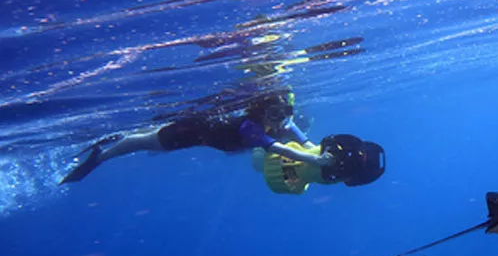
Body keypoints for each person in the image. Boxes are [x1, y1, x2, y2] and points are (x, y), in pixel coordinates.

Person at [59, 91, 332, 185]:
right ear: (262, 111)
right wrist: (315, 159)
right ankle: (100, 156)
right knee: (140, 142)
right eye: (275, 112)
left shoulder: (283, 123)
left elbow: (305, 143)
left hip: (200, 130)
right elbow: (285, 150)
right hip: (189, 133)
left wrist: (321, 155)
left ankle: (104, 142)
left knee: (145, 137)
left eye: (286, 112)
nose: (282, 118)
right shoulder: (252, 128)